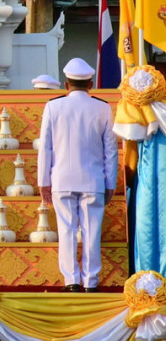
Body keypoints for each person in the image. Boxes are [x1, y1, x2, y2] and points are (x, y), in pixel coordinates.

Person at [37, 58, 118, 293]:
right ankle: (91, 282)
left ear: (65, 84)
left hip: (61, 179)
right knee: (92, 232)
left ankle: (71, 281)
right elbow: (110, 150)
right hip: (93, 180)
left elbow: (46, 147)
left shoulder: (53, 107)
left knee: (67, 231)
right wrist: (110, 182)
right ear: (90, 84)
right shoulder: (102, 107)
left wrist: (44, 181)